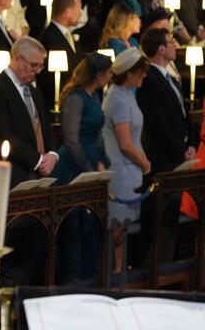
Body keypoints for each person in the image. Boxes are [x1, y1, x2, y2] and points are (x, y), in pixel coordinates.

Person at [0, 37, 57, 286]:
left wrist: (52, 155)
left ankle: (25, 294)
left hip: (38, 176)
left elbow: (44, 129)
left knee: (35, 243)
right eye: (33, 65)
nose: (37, 71)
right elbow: (3, 134)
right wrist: (38, 160)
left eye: (40, 66)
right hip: (15, 175)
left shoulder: (34, 92)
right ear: (16, 58)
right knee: (14, 244)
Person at [136, 28, 198, 264]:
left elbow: (185, 117)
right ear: (161, 49)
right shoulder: (149, 79)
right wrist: (180, 150)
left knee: (170, 219)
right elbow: (157, 123)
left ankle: (166, 267)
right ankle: (151, 269)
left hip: (177, 156)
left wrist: (191, 144)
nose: (175, 46)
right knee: (157, 220)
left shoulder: (169, 77)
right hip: (162, 160)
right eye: (171, 42)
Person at [54, 53, 112, 283]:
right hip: (72, 165)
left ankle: (90, 276)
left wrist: (103, 160)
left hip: (91, 161)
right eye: (107, 73)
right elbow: (71, 139)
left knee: (90, 223)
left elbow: (97, 134)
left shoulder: (94, 95)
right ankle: (72, 278)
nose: (109, 77)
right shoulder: (75, 98)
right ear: (98, 75)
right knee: (73, 224)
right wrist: (87, 169)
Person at [102, 48, 150, 273]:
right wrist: (144, 163)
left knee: (124, 227)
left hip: (130, 169)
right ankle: (116, 273)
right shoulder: (118, 98)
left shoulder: (126, 93)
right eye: (141, 72)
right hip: (121, 170)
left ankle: (121, 270)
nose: (144, 76)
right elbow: (125, 143)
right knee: (117, 228)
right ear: (130, 73)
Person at [38, 0, 82, 110]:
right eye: (78, 8)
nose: (81, 12)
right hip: (59, 103)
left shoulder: (69, 35)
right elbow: (49, 78)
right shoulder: (48, 38)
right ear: (68, 12)